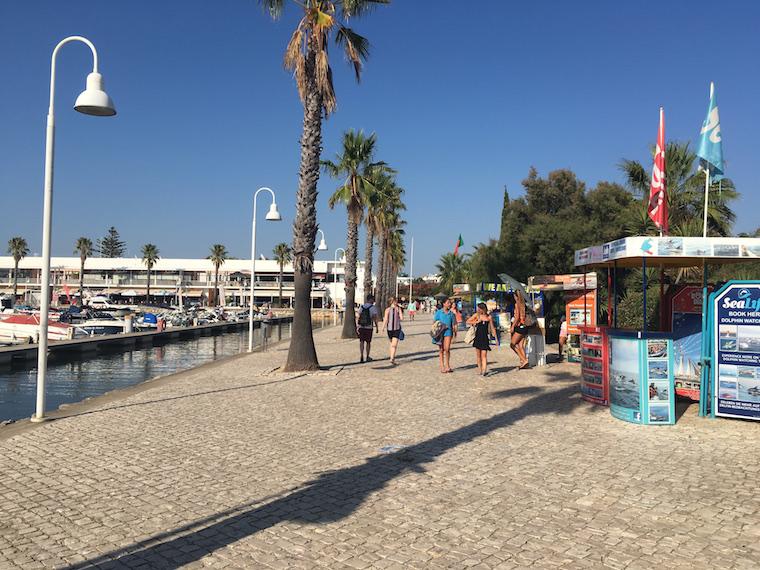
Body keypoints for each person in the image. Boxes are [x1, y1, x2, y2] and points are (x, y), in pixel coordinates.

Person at [467, 303, 498, 376]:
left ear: (483, 309)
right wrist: (476, 322)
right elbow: (468, 321)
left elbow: (492, 328)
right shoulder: (477, 315)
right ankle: (480, 369)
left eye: (479, 309)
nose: (478, 310)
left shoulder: (489, 317)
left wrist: (496, 338)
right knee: (478, 355)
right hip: (478, 337)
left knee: (484, 355)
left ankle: (484, 370)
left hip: (485, 337)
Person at [434, 298, 457, 373]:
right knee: (441, 349)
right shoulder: (439, 312)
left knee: (447, 349)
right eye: (448, 303)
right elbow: (435, 322)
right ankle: (442, 366)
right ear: (444, 304)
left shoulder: (452, 314)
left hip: (448, 332)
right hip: (440, 333)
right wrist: (441, 326)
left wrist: (455, 334)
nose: (449, 304)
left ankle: (447, 365)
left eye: (450, 303)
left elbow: (454, 324)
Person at [509, 290, 530, 369]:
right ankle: (523, 363)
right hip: (525, 326)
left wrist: (513, 326)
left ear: (516, 296)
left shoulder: (517, 304)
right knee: (521, 345)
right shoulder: (524, 304)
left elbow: (517, 317)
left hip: (519, 326)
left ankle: (524, 360)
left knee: (512, 344)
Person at [356, 294, 379, 363]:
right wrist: (377, 327)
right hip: (369, 327)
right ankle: (367, 356)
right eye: (373, 299)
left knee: (361, 342)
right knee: (368, 342)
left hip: (361, 327)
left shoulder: (362, 307)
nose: (373, 301)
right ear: (370, 299)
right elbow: (374, 318)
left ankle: (361, 355)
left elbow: (358, 316)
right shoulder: (373, 307)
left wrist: (357, 326)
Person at [382, 297, 403, 365]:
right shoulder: (396, 309)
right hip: (393, 328)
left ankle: (392, 358)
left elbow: (385, 319)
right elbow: (401, 318)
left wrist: (383, 327)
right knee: (393, 344)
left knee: (393, 344)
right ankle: (392, 357)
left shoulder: (388, 310)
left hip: (392, 329)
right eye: (395, 301)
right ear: (393, 302)